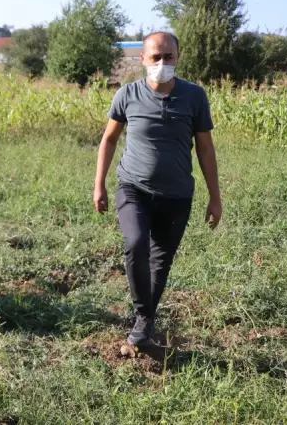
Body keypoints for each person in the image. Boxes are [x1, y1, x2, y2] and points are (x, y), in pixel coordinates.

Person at [93, 31, 222, 347]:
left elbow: (205, 149)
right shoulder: (128, 94)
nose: (162, 63)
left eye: (168, 57)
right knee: (136, 243)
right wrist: (99, 185)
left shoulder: (195, 97)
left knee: (160, 262)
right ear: (143, 59)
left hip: (177, 195)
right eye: (155, 57)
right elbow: (109, 139)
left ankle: (144, 321)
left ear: (178, 58)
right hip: (133, 187)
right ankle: (143, 312)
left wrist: (215, 198)